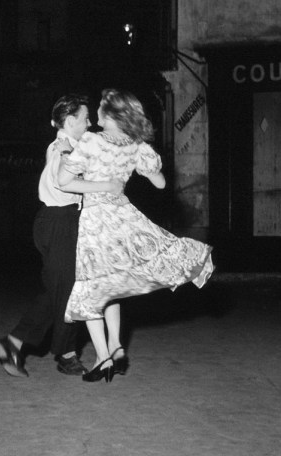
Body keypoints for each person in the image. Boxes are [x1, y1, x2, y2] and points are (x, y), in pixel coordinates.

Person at [57, 88, 213, 382]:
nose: (96, 115)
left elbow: (64, 182)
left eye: (101, 109)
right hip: (124, 218)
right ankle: (116, 345)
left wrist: (103, 185)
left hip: (97, 222)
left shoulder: (91, 142)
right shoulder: (136, 146)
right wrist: (131, 168)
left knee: (92, 288)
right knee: (112, 284)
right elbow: (160, 183)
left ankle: (103, 356)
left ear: (111, 116)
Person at [0, 93, 124, 378]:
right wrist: (105, 185)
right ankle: (59, 352)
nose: (90, 123)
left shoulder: (71, 145)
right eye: (85, 118)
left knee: (62, 290)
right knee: (65, 290)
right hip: (58, 222)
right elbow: (65, 184)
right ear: (69, 120)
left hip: (65, 221)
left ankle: (28, 345)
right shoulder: (60, 148)